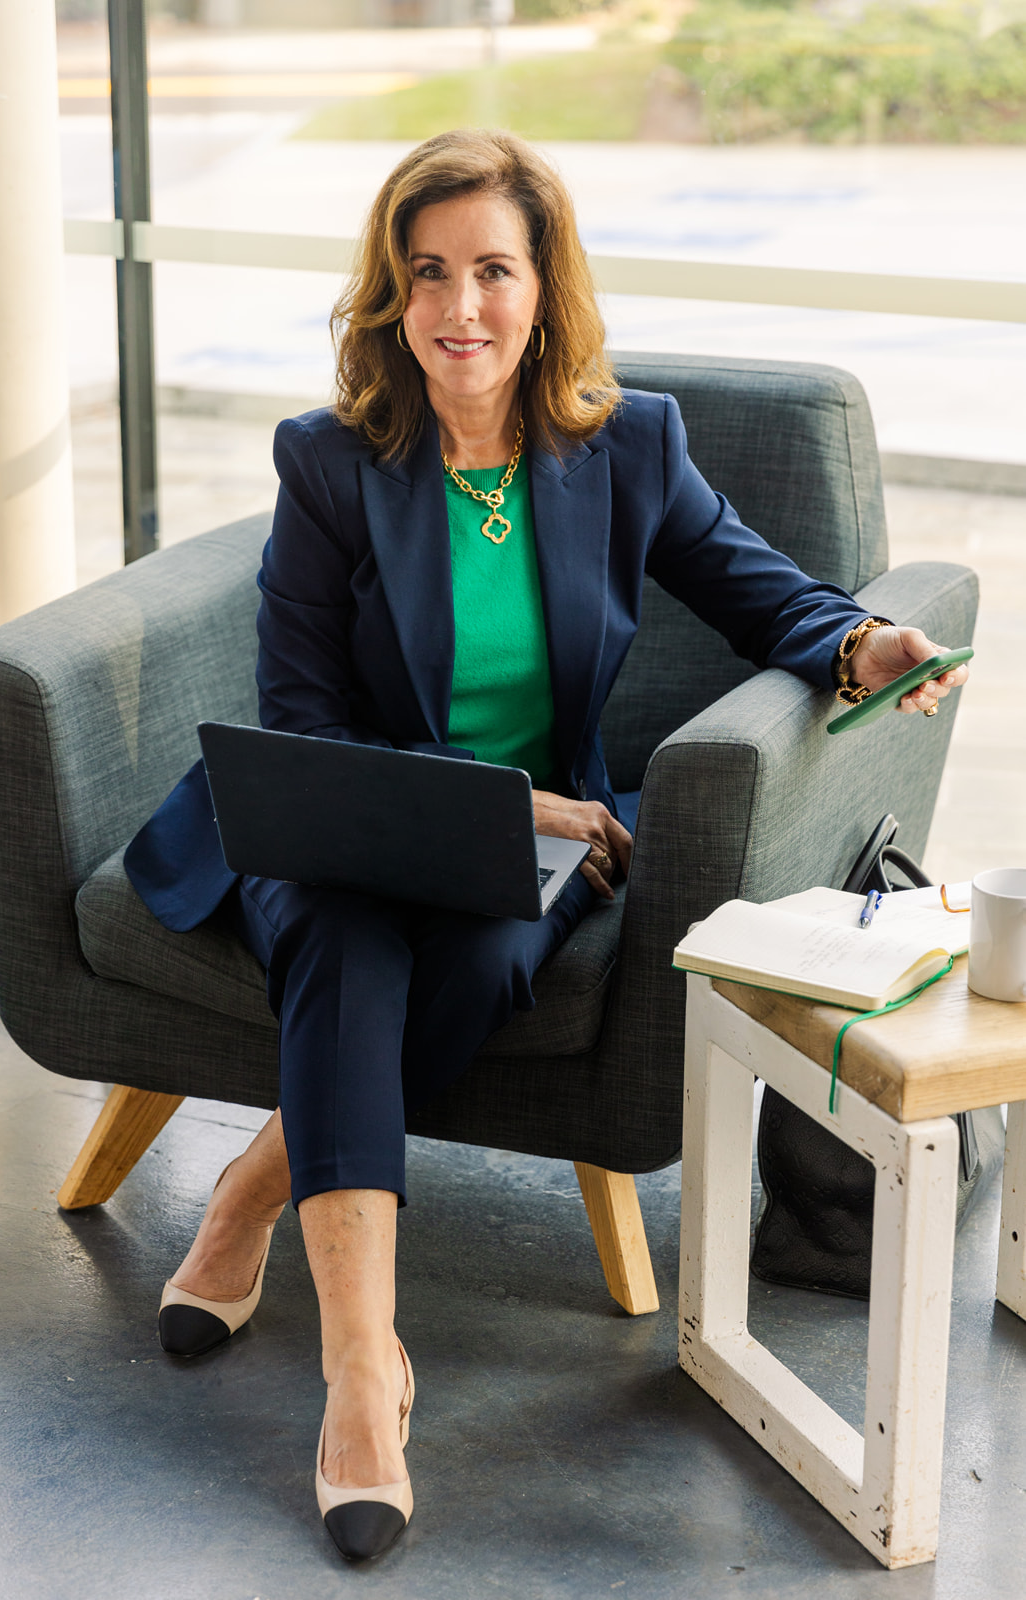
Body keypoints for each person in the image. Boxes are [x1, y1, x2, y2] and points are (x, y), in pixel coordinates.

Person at [123, 128, 970, 1562]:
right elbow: (306, 723)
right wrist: (518, 807)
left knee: (477, 963)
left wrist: (859, 640)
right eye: (427, 271)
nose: (460, 307)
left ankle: (258, 1186)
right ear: (391, 292)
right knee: (341, 936)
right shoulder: (333, 465)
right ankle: (362, 1382)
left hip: (529, 852)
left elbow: (763, 594)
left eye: (492, 271)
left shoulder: (627, 445)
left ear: (543, 283)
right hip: (337, 828)